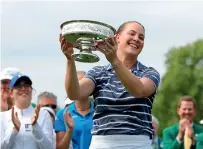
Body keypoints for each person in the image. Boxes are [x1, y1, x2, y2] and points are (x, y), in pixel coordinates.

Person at [60, 21, 160, 149]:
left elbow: (139, 90)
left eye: (141, 37)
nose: (136, 39)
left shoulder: (149, 73)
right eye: (132, 34)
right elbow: (74, 93)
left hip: (138, 143)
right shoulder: (97, 73)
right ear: (117, 37)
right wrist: (70, 59)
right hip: (102, 143)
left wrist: (114, 60)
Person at [0, 73, 53, 149]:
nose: (23, 88)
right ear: (11, 93)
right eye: (18, 86)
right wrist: (14, 131)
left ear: (31, 91)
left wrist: (35, 126)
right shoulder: (2, 117)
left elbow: (49, 147)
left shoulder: (44, 115)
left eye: (27, 85)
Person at [54, 71, 94, 149]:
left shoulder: (100, 111)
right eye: (77, 83)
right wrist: (70, 130)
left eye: (85, 84)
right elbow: (60, 148)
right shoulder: (63, 114)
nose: (81, 87)